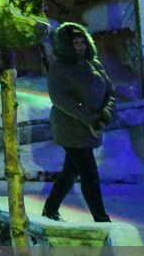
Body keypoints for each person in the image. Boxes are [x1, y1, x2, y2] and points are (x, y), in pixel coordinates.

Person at [42, 22, 115, 222]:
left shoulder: (94, 63)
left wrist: (105, 115)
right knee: (89, 172)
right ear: (67, 45)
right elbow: (60, 99)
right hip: (70, 129)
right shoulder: (59, 67)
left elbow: (110, 92)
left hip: (92, 126)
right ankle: (101, 218)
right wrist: (90, 119)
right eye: (75, 42)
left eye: (83, 41)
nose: (80, 46)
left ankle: (50, 208)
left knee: (70, 171)